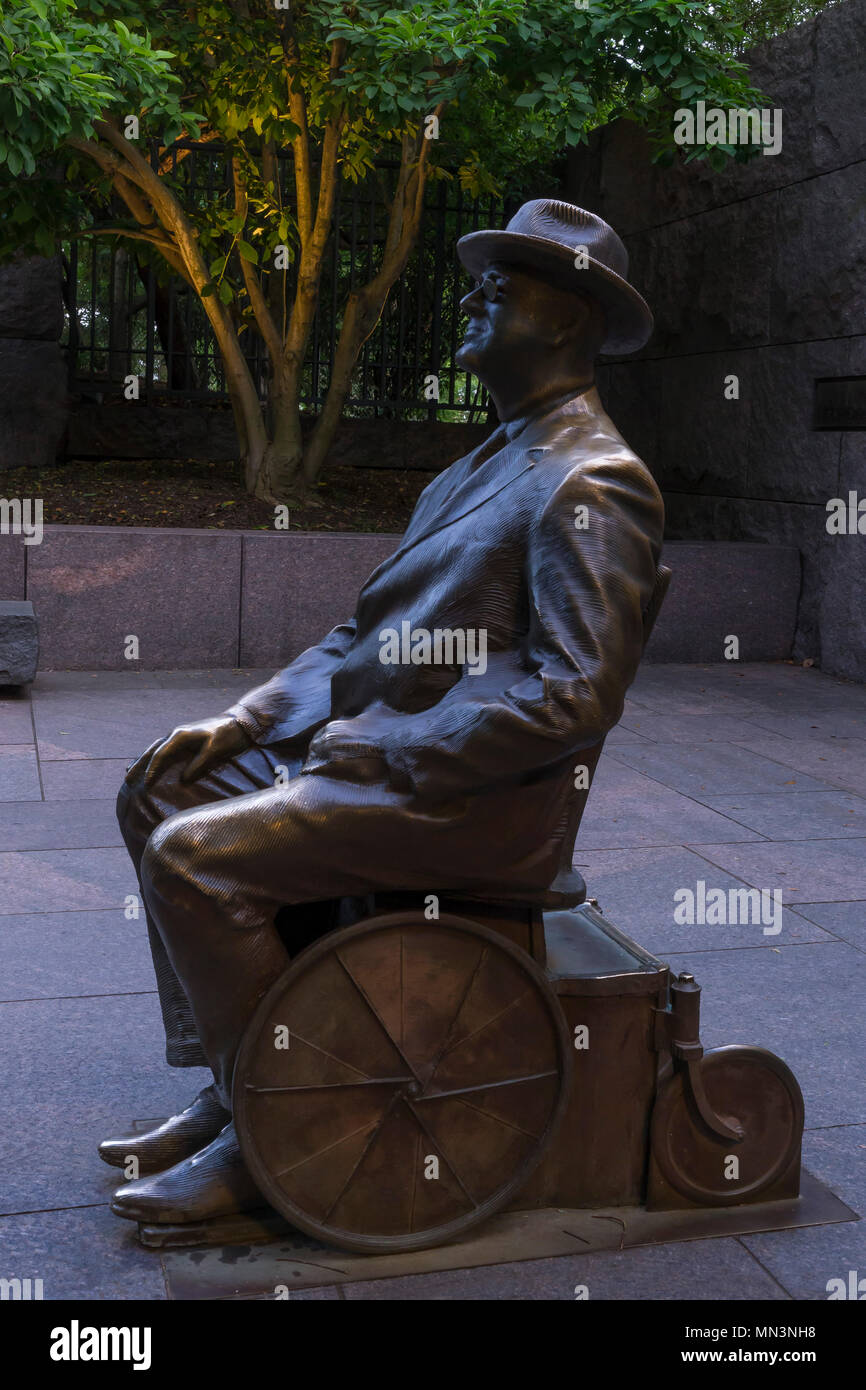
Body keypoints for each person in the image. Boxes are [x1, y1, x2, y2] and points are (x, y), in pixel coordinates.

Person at [104, 199, 665, 1225]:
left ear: (569, 319)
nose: (471, 295)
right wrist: (240, 722)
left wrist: (381, 751)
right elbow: (352, 639)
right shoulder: (476, 466)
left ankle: (269, 1138)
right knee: (163, 785)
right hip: (379, 762)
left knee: (191, 856)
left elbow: (573, 696)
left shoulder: (594, 480)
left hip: (473, 804)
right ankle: (239, 1083)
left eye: (502, 285)